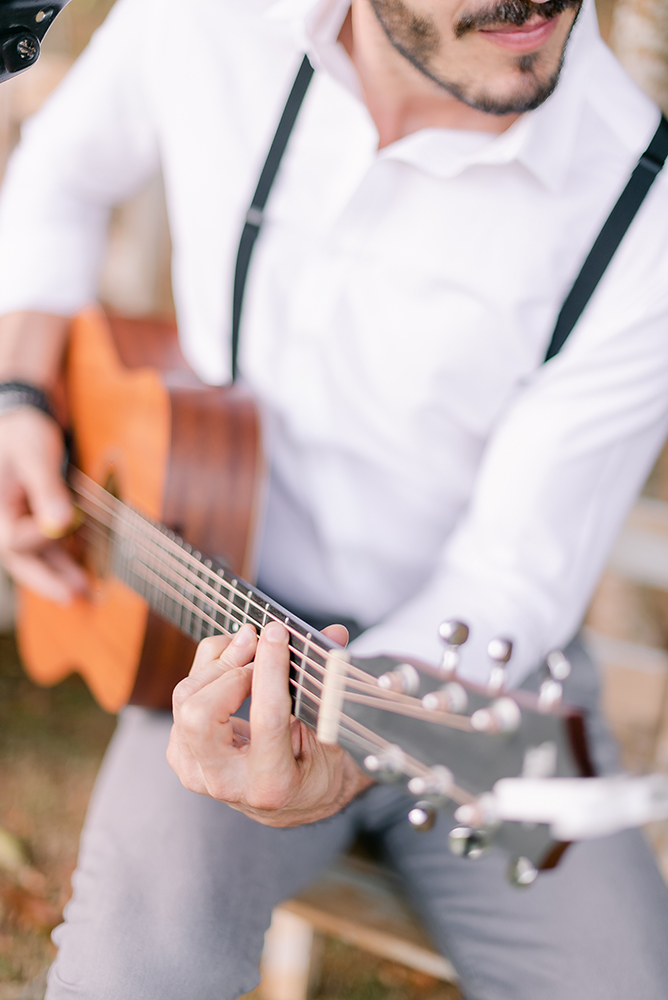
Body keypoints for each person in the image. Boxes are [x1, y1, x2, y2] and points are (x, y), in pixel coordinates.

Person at [0, 0, 667, 996]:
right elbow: (59, 172)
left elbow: (511, 578)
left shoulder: (639, 207)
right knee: (130, 973)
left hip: (483, 686)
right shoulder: (205, 20)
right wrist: (19, 395)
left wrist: (348, 748)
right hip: (214, 645)